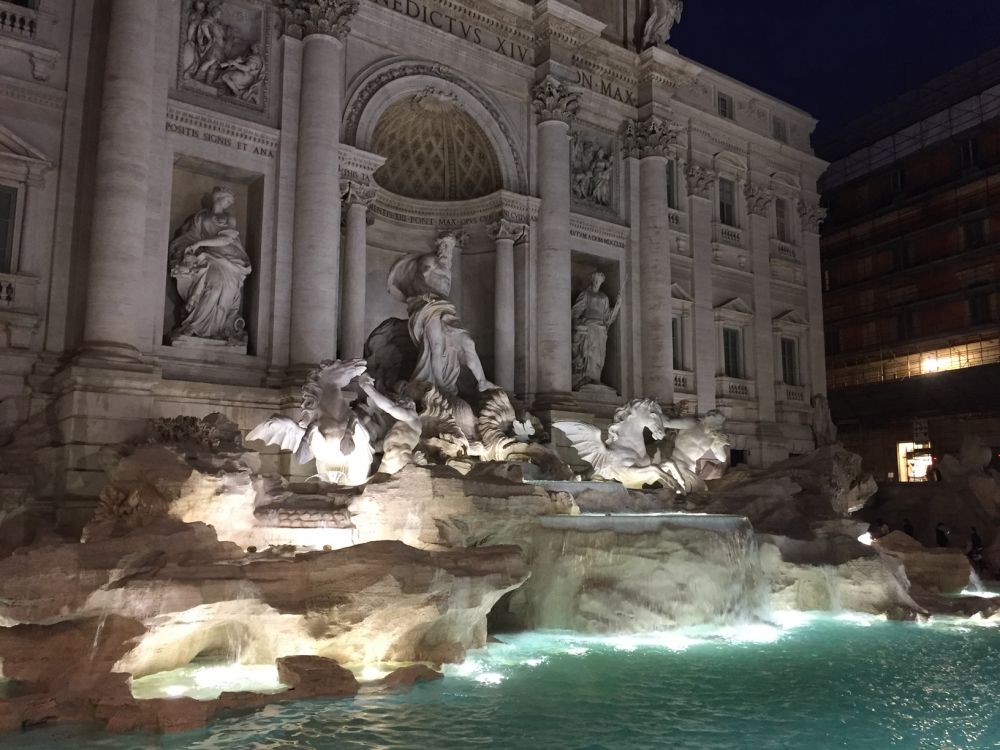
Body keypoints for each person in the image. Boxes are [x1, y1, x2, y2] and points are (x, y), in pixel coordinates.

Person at [387, 233, 497, 396]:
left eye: (450, 247)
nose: (447, 251)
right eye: (445, 246)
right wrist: (423, 296)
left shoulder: (448, 268)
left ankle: (482, 381)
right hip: (427, 305)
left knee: (468, 342)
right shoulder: (430, 261)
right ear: (439, 247)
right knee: (436, 345)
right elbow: (418, 280)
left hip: (444, 308)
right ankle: (439, 385)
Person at [168, 186, 251, 342]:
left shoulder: (229, 218)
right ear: (218, 197)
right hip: (209, 258)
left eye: (231, 202)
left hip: (229, 260)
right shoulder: (201, 217)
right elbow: (189, 236)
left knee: (227, 293)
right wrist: (189, 249)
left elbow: (226, 239)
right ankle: (194, 326)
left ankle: (220, 330)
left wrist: (199, 243)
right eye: (228, 200)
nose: (229, 204)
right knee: (215, 287)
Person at [571, 271, 624, 390]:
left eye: (599, 281)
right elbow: (576, 311)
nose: (596, 282)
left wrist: (618, 304)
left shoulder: (604, 297)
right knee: (589, 352)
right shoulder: (586, 294)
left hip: (601, 330)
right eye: (595, 280)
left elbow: (608, 318)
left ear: (601, 283)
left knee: (599, 355)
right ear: (592, 280)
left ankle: (595, 377)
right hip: (589, 327)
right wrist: (577, 324)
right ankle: (585, 377)